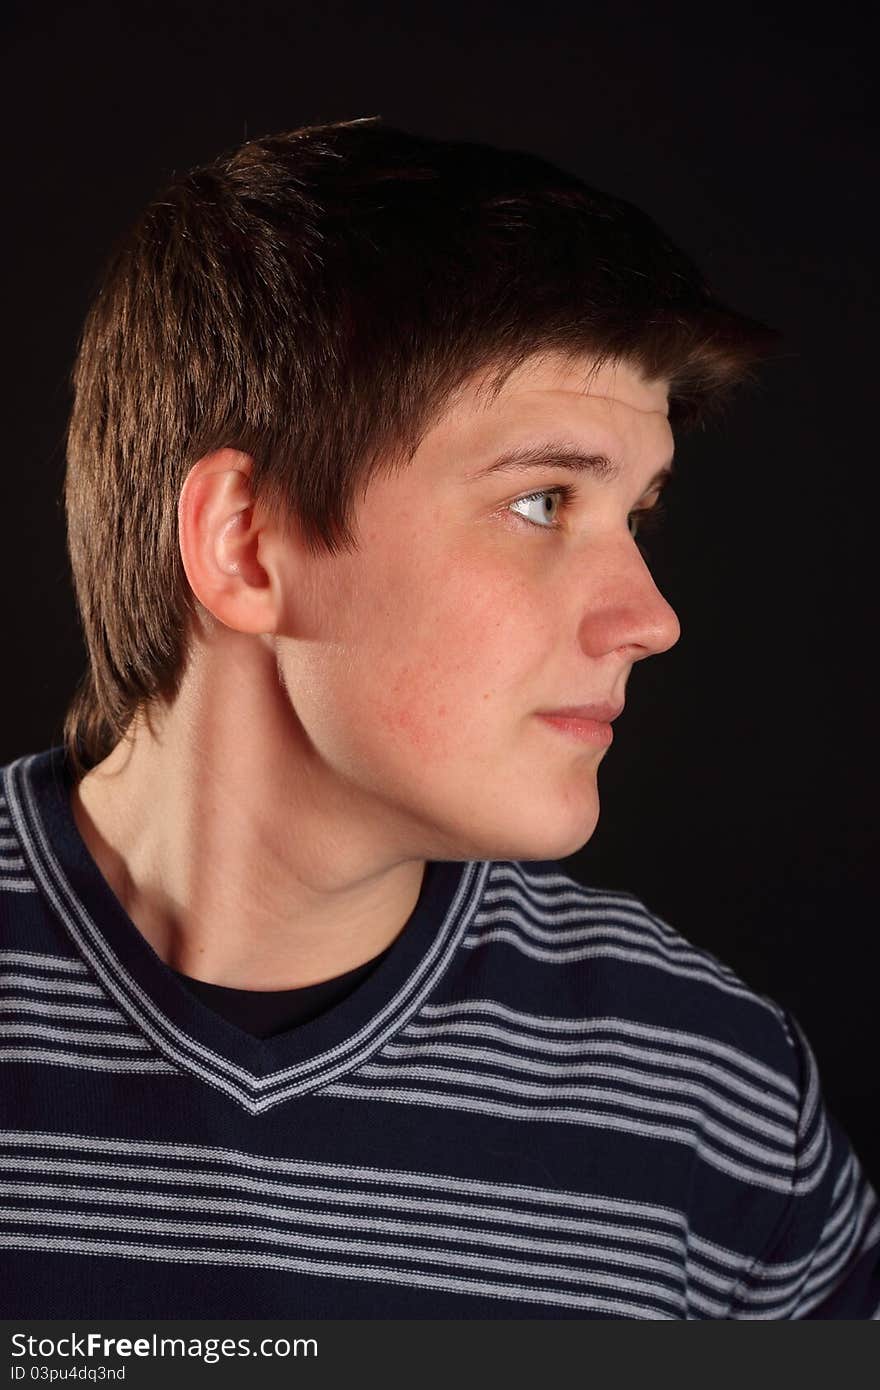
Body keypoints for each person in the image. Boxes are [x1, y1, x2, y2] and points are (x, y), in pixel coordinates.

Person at [1, 117, 876, 1320]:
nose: (651, 617)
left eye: (639, 513)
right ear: (244, 544)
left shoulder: (714, 1101)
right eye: (541, 499)